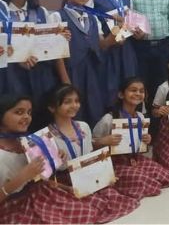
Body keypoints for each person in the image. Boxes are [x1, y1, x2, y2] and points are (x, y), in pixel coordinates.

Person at [0, 94, 114, 224]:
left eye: (29, 112)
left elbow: (39, 178)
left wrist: (56, 166)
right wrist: (23, 176)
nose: (26, 117)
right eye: (19, 112)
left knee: (90, 211)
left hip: (40, 194)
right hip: (15, 206)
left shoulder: (27, 141)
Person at [45, 85, 141, 217]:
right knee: (85, 211)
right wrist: (67, 188)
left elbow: (91, 157)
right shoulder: (47, 136)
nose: (74, 105)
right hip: (64, 182)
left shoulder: (83, 126)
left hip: (88, 175)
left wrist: (104, 175)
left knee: (115, 200)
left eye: (76, 101)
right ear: (52, 107)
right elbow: (45, 178)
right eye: (67, 102)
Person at [92, 77, 169, 199]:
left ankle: (134, 177)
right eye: (133, 90)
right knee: (146, 183)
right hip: (115, 163)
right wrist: (103, 141)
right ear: (121, 94)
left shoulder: (140, 117)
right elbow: (91, 144)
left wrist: (147, 139)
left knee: (167, 177)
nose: (138, 93)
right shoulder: (109, 119)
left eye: (141, 91)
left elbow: (140, 143)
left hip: (135, 158)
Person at [0, 0, 65, 123]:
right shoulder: (2, 9)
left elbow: (50, 44)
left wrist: (60, 37)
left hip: (40, 73)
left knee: (40, 115)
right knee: (13, 116)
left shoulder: (41, 11)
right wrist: (17, 57)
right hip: (9, 74)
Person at [54, 0, 119, 124]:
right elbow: (57, 54)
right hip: (72, 70)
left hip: (94, 71)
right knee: (75, 111)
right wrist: (66, 82)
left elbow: (102, 44)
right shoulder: (58, 16)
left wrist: (119, 29)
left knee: (94, 109)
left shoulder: (92, 16)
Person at [91, 0, 142, 109]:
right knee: (110, 91)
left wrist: (138, 31)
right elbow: (91, 23)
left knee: (129, 87)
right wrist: (106, 40)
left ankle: (129, 120)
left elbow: (130, 19)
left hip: (126, 48)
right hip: (106, 50)